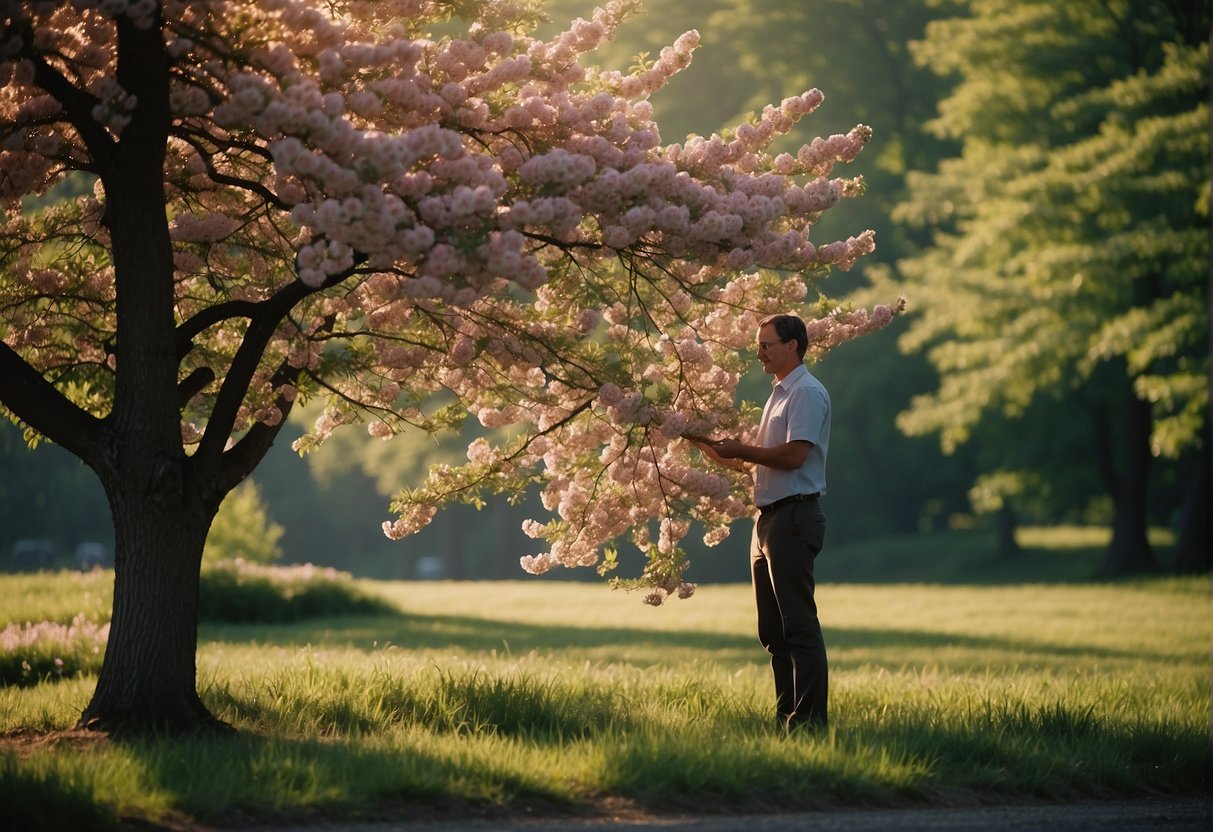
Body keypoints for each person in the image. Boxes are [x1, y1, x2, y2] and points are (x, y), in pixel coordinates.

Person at [690, 313, 831, 732]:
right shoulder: (779, 394)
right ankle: (786, 719)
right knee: (773, 632)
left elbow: (793, 457)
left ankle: (808, 724)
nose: (759, 353)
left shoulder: (805, 393)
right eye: (759, 344)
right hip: (768, 518)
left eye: (766, 344)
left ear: (793, 345)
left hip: (793, 515)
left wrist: (743, 450)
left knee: (798, 626)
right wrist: (700, 439)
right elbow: (756, 462)